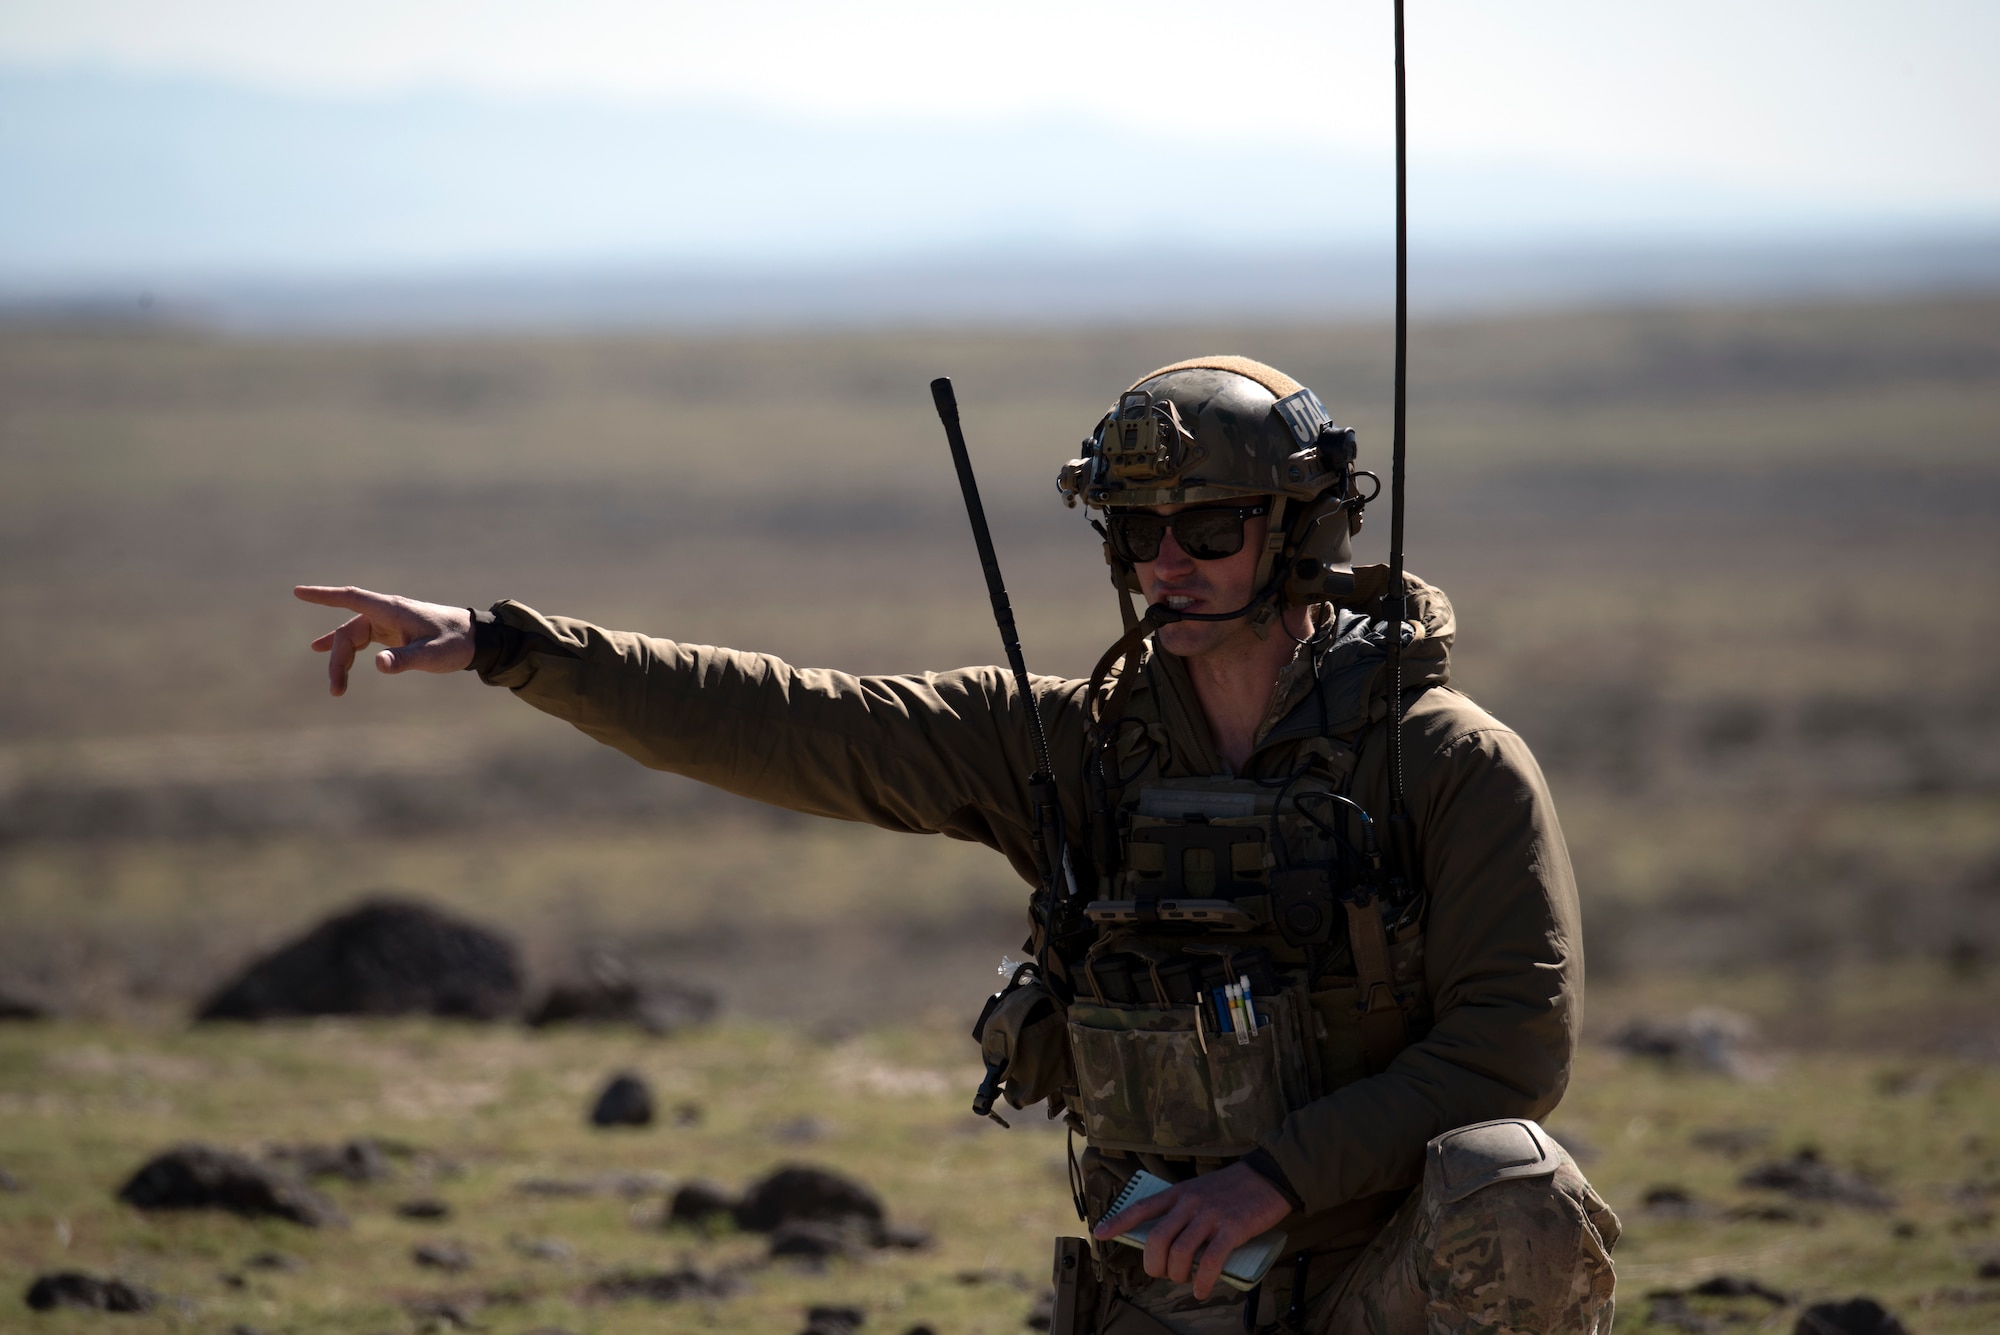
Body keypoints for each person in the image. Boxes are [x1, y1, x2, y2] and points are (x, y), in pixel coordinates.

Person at [297, 356, 1618, 1333]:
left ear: (1301, 533)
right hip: (1170, 1286)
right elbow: (789, 721)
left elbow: (1510, 1048)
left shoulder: (1447, 765)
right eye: (1136, 530)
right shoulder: (1068, 746)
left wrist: (1273, 1182)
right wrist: (518, 649)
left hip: (1378, 1279)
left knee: (1515, 1189)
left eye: (1209, 528)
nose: (1169, 561)